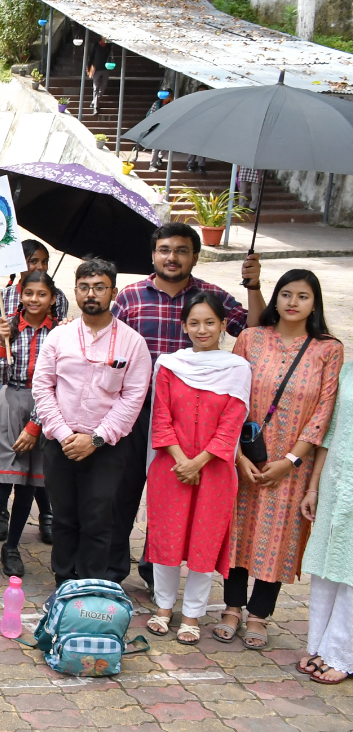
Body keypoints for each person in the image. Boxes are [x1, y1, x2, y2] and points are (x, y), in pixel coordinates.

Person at [109, 222, 263, 588]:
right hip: (136, 411)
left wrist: (253, 286)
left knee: (170, 500)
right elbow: (106, 338)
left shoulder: (212, 297)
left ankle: (154, 571)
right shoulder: (130, 296)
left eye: (181, 250)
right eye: (164, 250)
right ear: (153, 254)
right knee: (123, 494)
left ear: (195, 255)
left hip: (193, 422)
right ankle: (112, 574)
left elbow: (255, 331)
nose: (172, 257)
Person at [217, 270, 342, 649]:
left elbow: (325, 409)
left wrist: (290, 460)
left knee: (276, 537)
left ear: (314, 303)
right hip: (245, 456)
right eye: (285, 294)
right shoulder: (251, 339)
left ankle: (259, 614)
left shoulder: (328, 348)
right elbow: (231, 397)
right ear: (275, 298)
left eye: (302, 296)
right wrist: (237, 456)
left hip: (291, 463)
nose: (292, 303)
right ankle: (231, 608)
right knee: (237, 530)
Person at [32, 258, 151, 585]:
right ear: (75, 291)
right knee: (65, 519)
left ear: (113, 291)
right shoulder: (60, 337)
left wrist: (96, 439)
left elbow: (132, 398)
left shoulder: (132, 343)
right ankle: (64, 586)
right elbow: (42, 386)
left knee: (99, 520)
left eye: (99, 287)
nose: (91, 294)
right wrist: (62, 433)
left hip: (106, 448)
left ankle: (92, 587)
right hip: (60, 444)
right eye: (84, 287)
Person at [144, 293, 251, 645]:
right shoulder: (170, 365)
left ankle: (192, 613)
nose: (201, 329)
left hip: (216, 470)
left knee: (205, 543)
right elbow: (161, 419)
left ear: (223, 325)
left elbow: (231, 426)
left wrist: (199, 462)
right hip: (170, 467)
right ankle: (163, 607)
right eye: (194, 323)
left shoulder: (238, 369)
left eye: (209, 322)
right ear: (184, 326)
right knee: (167, 539)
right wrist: (181, 461)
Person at [0, 240, 68, 513]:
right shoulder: (5, 296)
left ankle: (44, 512)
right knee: (6, 454)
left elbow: (59, 339)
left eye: (44, 262)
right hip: (5, 376)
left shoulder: (59, 300)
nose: (39, 266)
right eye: (33, 261)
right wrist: (5, 349)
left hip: (45, 390)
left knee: (38, 463)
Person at [0, 270, 57, 578]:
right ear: (20, 296)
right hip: (10, 404)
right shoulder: (9, 328)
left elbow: (59, 380)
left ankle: (12, 547)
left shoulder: (59, 333)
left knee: (29, 487)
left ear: (53, 298)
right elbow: (0, 376)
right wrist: (3, 343)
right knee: (2, 483)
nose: (35, 299)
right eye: (29, 293)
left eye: (42, 294)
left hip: (44, 408)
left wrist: (37, 423)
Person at [299, 360, 353, 684]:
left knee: (351, 571)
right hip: (336, 481)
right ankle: (319, 645)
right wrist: (314, 486)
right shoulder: (348, 370)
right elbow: (330, 433)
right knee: (326, 567)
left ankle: (341, 654)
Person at [145, 90, 173, 170]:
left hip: (167, 128)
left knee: (168, 144)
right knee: (155, 147)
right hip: (157, 127)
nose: (168, 97)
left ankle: (160, 157)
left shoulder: (172, 104)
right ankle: (152, 165)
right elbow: (152, 115)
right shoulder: (157, 104)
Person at [87, 37, 112, 115]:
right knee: (96, 88)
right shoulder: (96, 45)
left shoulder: (109, 46)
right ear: (101, 38)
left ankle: (94, 102)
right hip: (96, 69)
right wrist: (88, 67)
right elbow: (91, 56)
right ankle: (95, 108)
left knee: (102, 88)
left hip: (105, 69)